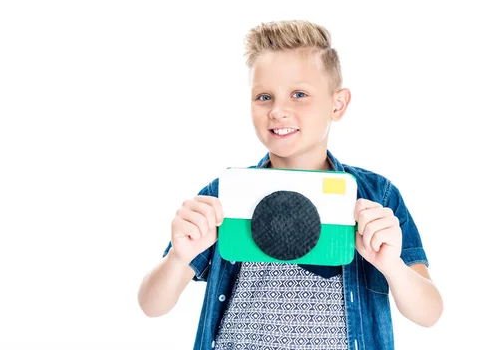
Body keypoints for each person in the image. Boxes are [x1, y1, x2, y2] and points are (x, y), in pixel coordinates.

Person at [137, 20, 443, 350]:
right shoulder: (225, 195)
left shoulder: (376, 196)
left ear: (337, 104)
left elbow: (429, 313)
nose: (278, 110)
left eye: (299, 94)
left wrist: (392, 266)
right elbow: (152, 305)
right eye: (264, 96)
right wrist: (178, 258)